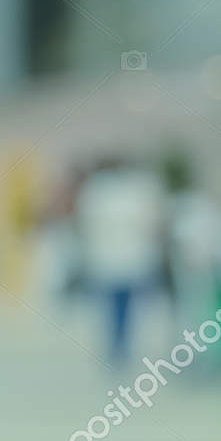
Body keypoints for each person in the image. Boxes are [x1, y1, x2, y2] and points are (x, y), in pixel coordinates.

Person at [75, 156, 166, 365]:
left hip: (112, 260)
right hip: (125, 259)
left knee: (113, 307)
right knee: (123, 307)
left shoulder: (97, 191)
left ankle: (117, 346)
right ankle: (120, 346)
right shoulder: (136, 190)